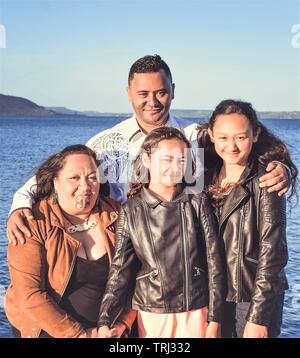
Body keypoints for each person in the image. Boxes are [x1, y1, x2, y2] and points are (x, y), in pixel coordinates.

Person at [7, 55, 289, 245]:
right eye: (143, 94)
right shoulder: (106, 143)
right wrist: (20, 204)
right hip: (121, 252)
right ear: (129, 93)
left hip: (186, 255)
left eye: (161, 92)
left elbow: (243, 141)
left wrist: (283, 166)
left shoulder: (196, 137)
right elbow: (57, 175)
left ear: (173, 90)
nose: (152, 102)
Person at [97, 127, 224, 338]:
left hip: (195, 309)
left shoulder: (197, 201)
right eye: (166, 159)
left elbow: (214, 262)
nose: (174, 167)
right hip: (151, 311)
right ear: (147, 160)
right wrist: (105, 319)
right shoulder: (131, 209)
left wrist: (215, 319)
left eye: (182, 160)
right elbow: (120, 269)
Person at [4, 145, 135, 338]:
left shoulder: (117, 216)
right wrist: (80, 335)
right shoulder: (32, 222)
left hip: (110, 331)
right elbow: (29, 295)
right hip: (50, 330)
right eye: (74, 178)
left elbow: (138, 278)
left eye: (92, 177)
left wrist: (123, 324)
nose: (85, 186)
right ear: (55, 182)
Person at [197, 100, 298, 338]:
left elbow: (273, 253)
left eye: (240, 137)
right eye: (223, 137)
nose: (231, 146)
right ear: (211, 135)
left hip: (249, 298)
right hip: (214, 296)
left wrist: (259, 316)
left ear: (255, 134)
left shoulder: (266, 181)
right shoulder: (205, 178)